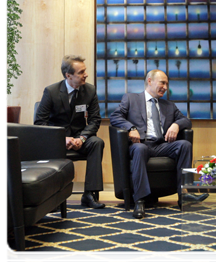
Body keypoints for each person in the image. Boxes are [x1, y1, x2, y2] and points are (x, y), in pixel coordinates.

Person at [109, 69, 207, 219]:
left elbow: (187, 120)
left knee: (184, 145)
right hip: (140, 144)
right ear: (150, 81)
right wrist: (131, 128)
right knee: (140, 149)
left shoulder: (169, 105)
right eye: (162, 83)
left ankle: (185, 195)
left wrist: (176, 125)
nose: (166, 87)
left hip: (161, 145)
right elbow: (115, 117)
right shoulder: (131, 99)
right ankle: (140, 200)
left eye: (167, 84)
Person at [35, 55, 105, 209]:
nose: (85, 74)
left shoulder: (90, 90)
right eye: (81, 72)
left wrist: (82, 138)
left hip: (80, 138)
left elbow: (95, 120)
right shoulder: (51, 92)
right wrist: (62, 139)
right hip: (57, 140)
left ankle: (89, 194)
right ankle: (53, 197)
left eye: (85, 71)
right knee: (48, 146)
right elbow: (40, 123)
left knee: (97, 143)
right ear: (68, 75)